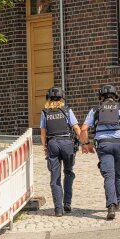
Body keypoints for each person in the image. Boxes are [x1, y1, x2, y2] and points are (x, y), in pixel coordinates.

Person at [80, 84, 120, 220]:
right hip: (119, 144)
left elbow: (83, 129)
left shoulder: (95, 109)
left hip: (103, 145)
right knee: (118, 174)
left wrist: (86, 144)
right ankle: (117, 199)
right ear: (115, 97)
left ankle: (111, 205)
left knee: (109, 176)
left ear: (101, 97)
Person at [40, 86, 81, 217]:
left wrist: (45, 146)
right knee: (68, 172)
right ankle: (67, 203)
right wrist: (83, 141)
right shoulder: (67, 110)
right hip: (67, 143)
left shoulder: (45, 112)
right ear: (62, 98)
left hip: (53, 143)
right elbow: (76, 127)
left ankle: (58, 209)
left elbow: (42, 132)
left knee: (55, 177)